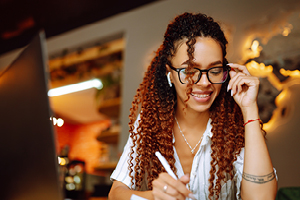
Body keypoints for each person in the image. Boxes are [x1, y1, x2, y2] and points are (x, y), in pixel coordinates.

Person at [108, 12, 278, 200]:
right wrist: (153, 197)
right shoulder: (150, 122)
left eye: (214, 70)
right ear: (170, 73)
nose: (204, 82)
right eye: (189, 70)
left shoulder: (234, 127)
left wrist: (249, 109)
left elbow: (261, 198)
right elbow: (116, 193)